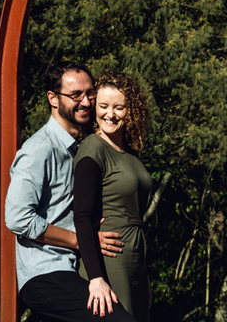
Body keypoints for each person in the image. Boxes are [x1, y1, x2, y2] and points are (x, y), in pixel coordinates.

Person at [5, 62, 136, 322]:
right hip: (46, 274)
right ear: (53, 98)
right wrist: (79, 239)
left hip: (73, 269)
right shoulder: (39, 149)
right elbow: (17, 217)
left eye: (90, 93)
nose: (86, 102)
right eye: (75, 95)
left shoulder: (82, 148)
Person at [73, 70, 154, 322]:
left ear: (130, 110)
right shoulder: (93, 149)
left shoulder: (130, 153)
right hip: (110, 261)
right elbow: (82, 217)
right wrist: (96, 278)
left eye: (119, 107)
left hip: (136, 261)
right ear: (94, 107)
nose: (110, 114)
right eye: (104, 106)